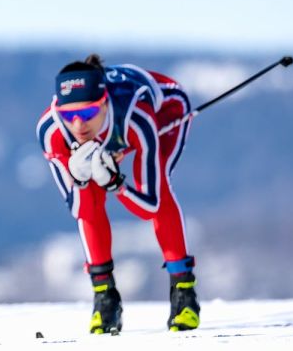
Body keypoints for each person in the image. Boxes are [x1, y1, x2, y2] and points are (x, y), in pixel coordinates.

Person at [36, 54, 200, 334]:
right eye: (68, 115)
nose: (78, 125)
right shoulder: (51, 130)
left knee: (157, 186)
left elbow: (149, 206)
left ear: (104, 104)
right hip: (115, 132)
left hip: (165, 110)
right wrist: (80, 177)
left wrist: (116, 184)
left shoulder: (136, 118)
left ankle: (183, 292)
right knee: (90, 198)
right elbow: (79, 209)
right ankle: (105, 298)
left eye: (87, 113)